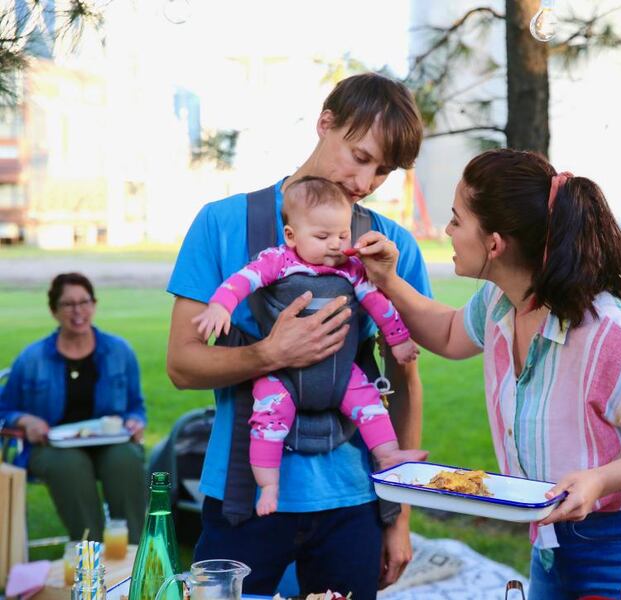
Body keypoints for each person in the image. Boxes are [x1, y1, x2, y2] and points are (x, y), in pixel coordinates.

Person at [357, 149, 621, 599]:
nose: (447, 231)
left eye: (456, 219)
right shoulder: (501, 303)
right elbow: (448, 334)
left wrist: (600, 479)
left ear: (494, 243)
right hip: (551, 543)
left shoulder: (604, 334)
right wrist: (387, 280)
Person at [166, 73, 430, 599]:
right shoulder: (222, 224)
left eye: (383, 171)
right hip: (243, 494)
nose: (366, 181)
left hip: (354, 499)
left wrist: (398, 516)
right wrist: (270, 352)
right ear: (324, 123)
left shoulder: (391, 245)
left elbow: (404, 382)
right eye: (359, 156)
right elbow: (181, 364)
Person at [191, 176, 421, 517]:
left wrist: (398, 340)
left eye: (343, 235)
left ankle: (387, 454)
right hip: (283, 375)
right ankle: (268, 486)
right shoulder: (278, 261)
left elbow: (377, 304)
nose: (335, 245)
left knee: (369, 402)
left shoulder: (352, 270)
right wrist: (221, 305)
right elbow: (242, 280)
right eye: (322, 236)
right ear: (291, 236)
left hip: (339, 374)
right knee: (268, 419)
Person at [0, 272, 147, 543]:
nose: (78, 311)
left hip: (108, 442)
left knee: (125, 459)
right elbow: (4, 409)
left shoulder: (119, 351)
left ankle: (133, 552)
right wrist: (24, 421)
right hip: (51, 447)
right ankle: (91, 553)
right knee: (70, 464)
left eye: (84, 302)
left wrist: (136, 421)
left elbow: (136, 406)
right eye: (68, 304)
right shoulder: (32, 358)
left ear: (94, 304)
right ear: (53, 310)